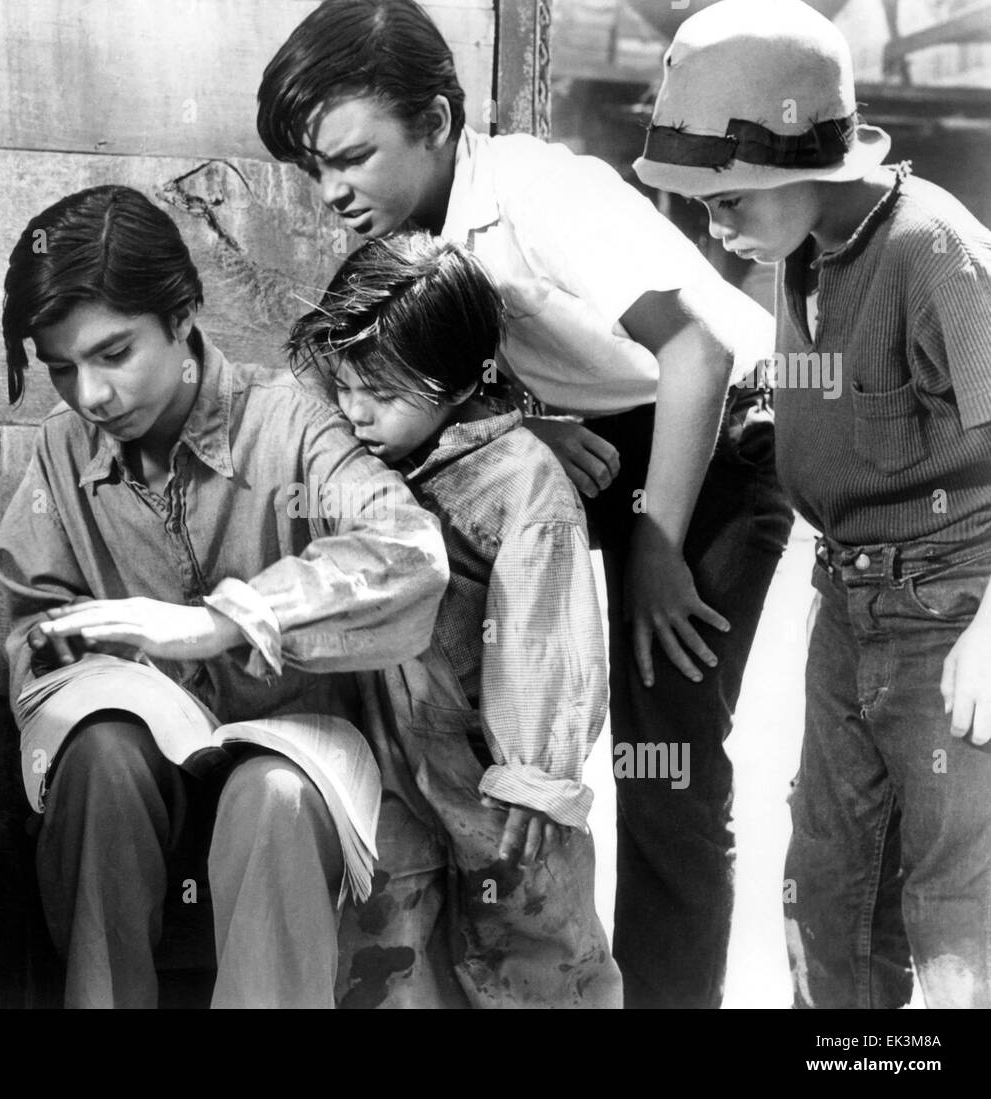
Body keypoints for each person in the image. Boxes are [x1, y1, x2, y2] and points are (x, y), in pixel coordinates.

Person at [259, 0, 794, 1007]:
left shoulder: (540, 191)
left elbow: (697, 354)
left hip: (709, 438)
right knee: (481, 687)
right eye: (313, 169)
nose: (332, 191)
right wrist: (516, 425)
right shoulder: (407, 241)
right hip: (589, 442)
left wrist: (654, 548)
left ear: (435, 120)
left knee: (665, 751)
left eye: (352, 157)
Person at [0, 184, 450, 1009]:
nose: (90, 394)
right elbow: (32, 629)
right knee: (96, 760)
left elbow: (409, 553)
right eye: (62, 367)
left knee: (270, 796)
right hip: (140, 773)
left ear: (182, 316)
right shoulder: (62, 454)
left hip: (294, 759)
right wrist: (105, 671)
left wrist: (221, 624)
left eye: (113, 352)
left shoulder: (292, 421)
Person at [635, 0, 991, 1010]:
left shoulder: (934, 253)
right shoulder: (799, 249)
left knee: (958, 915)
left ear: (809, 162)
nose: (717, 226)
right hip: (848, 609)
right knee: (829, 891)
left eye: (731, 202)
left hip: (952, 616)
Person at [288, 231, 621, 1007]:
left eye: (385, 393)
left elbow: (546, 628)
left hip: (494, 777)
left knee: (539, 957)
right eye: (346, 385)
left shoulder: (523, 480)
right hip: (389, 766)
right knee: (384, 953)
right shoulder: (362, 461)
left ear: (462, 379)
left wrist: (535, 775)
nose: (357, 412)